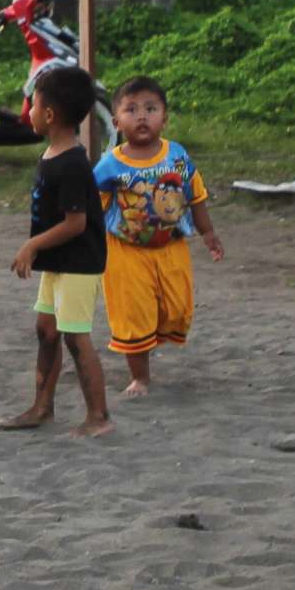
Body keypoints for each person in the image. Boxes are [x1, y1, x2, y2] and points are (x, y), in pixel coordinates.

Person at [0, 64, 113, 439]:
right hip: (58, 261)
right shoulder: (52, 153)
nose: (24, 111)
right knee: (46, 330)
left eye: (31, 104)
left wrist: (32, 244)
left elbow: (76, 223)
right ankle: (42, 407)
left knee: (75, 337)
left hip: (78, 263)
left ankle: (99, 417)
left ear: (49, 114)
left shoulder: (74, 163)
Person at [92, 75, 223, 398]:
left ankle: (152, 335)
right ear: (116, 122)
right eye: (131, 109)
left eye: (150, 109)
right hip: (126, 252)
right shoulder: (110, 164)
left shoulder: (177, 155)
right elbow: (91, 207)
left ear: (164, 117)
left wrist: (208, 232)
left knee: (177, 309)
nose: (141, 116)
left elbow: (195, 196)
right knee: (133, 315)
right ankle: (140, 377)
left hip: (171, 247)